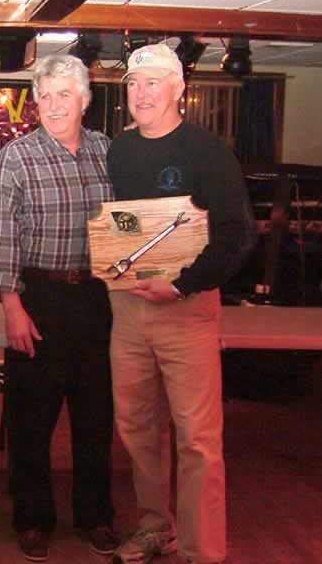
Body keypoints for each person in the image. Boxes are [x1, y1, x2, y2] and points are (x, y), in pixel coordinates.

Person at [106, 44, 257, 564]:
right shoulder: (120, 151)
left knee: (197, 439)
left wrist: (181, 284)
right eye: (133, 84)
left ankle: (202, 551)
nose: (141, 93)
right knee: (137, 428)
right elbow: (120, 228)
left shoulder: (208, 151)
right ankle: (156, 529)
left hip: (186, 308)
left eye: (152, 82)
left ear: (178, 89)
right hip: (128, 309)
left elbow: (237, 236)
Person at [0, 54, 118, 561]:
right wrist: (12, 307)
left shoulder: (110, 152)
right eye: (45, 96)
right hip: (38, 298)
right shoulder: (15, 158)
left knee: (95, 418)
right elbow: (0, 238)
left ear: (85, 100)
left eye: (64, 94)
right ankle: (33, 518)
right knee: (31, 420)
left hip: (99, 299)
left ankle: (95, 516)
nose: (54, 105)